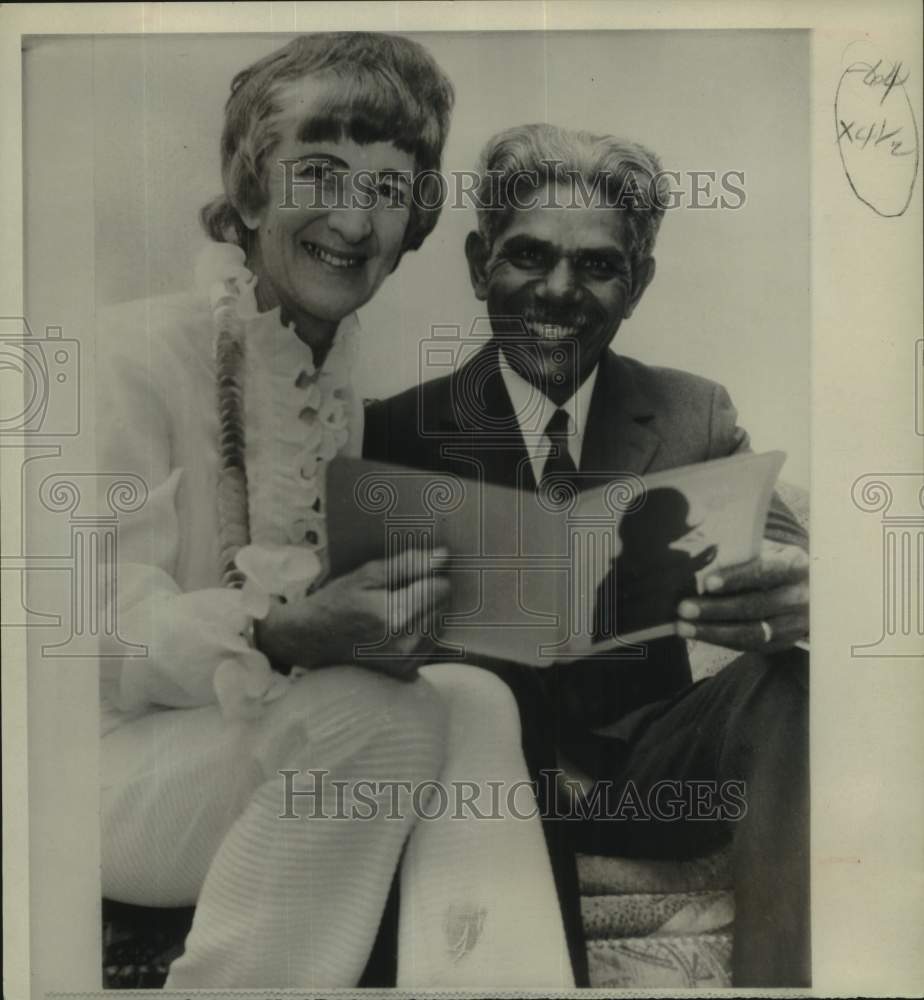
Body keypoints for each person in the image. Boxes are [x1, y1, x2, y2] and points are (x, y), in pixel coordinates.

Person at [97, 40, 572, 990]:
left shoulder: (332, 387)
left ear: (413, 224)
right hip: (83, 778)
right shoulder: (131, 354)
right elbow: (83, 640)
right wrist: (277, 634)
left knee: (474, 697)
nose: (354, 220)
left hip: (221, 746)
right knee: (374, 713)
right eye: (318, 174)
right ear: (250, 191)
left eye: (388, 190)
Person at [364, 122, 810, 987]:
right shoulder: (394, 432)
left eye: (599, 265)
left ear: (637, 284)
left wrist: (797, 591)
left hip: (654, 770)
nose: (560, 291)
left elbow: (788, 556)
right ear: (478, 265)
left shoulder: (691, 413)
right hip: (483, 783)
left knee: (789, 684)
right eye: (529, 256)